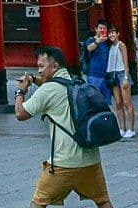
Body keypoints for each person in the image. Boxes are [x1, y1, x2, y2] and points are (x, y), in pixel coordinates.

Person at [12, 46, 111, 208]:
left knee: (38, 202)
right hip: (91, 158)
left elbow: (20, 113)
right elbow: (52, 83)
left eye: (41, 66)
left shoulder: (48, 90)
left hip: (63, 162)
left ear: (55, 66)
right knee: (103, 201)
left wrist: (20, 92)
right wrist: (33, 79)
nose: (39, 71)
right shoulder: (76, 82)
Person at [101, 30, 135, 140]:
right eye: (110, 33)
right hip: (113, 74)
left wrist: (125, 77)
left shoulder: (122, 45)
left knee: (127, 102)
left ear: (118, 34)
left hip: (121, 74)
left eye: (113, 33)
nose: (111, 35)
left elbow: (126, 62)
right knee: (118, 103)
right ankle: (121, 128)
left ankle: (131, 129)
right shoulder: (110, 47)